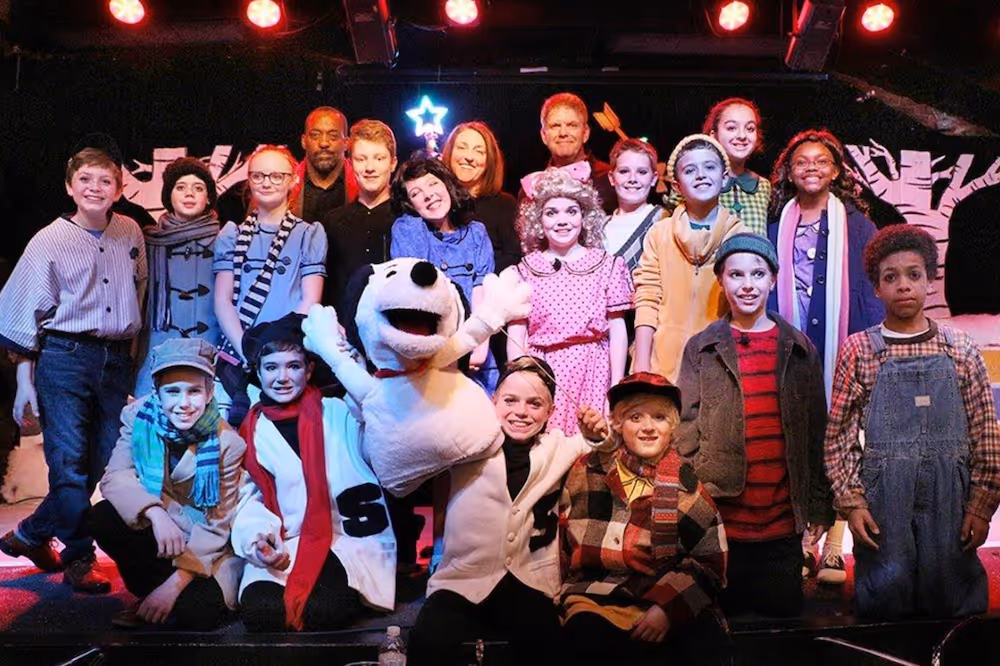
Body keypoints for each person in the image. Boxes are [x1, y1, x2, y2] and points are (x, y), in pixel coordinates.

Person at [825, 224, 1000, 619]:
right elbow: (839, 437)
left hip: (951, 497)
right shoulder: (859, 350)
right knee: (887, 590)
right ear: (876, 288)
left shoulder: (959, 348)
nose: (903, 285)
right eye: (891, 277)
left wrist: (981, 505)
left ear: (930, 280)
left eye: (913, 275)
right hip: (885, 496)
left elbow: (986, 432)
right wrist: (852, 503)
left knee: (951, 588)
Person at [0, 143, 146, 592]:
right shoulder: (48, 240)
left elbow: (138, 293)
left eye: (105, 180)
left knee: (104, 464)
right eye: (85, 180)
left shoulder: (130, 233)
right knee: (67, 465)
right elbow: (20, 310)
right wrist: (25, 382)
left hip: (115, 360)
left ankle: (28, 534)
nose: (95, 188)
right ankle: (79, 555)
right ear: (69, 186)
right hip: (64, 358)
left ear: (120, 189)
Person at [408, 356, 614, 666]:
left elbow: (599, 447)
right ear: (493, 401)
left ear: (550, 412)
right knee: (428, 640)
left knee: (549, 644)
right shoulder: (469, 442)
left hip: (528, 582)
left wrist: (599, 433)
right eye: (510, 400)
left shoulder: (557, 446)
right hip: (462, 579)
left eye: (534, 404)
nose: (521, 411)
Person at [676, 233, 833, 617]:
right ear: (721, 280)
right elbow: (685, 428)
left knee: (779, 631)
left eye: (758, 274)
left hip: (782, 526)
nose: (747, 284)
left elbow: (817, 432)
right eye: (736, 275)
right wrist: (692, 499)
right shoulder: (702, 348)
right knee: (721, 627)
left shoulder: (798, 347)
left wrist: (819, 506)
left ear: (773, 280)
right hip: (722, 523)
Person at [766, 128, 884, 585]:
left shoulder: (858, 226)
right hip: (793, 353)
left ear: (836, 171)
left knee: (841, 445)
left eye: (821, 161)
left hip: (845, 348)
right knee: (796, 444)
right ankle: (803, 541)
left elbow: (872, 296)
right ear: (788, 172)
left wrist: (870, 349)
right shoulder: (777, 228)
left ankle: (835, 544)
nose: (811, 167)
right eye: (801, 161)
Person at [232, 313, 395, 631]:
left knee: (324, 612)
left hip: (343, 539)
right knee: (260, 613)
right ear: (258, 373)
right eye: (271, 367)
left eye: (293, 366)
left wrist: (347, 360)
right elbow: (246, 499)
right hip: (283, 541)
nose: (282, 377)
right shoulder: (250, 432)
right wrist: (260, 541)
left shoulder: (339, 412)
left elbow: (377, 417)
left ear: (308, 370)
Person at [560, 373, 730, 666]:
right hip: (597, 598)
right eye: (635, 417)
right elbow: (563, 537)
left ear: (673, 428)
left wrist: (668, 607)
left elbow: (710, 563)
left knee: (702, 645)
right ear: (618, 424)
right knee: (586, 640)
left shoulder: (686, 487)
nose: (648, 428)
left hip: (660, 594)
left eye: (660, 417)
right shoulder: (586, 471)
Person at [90, 338, 245, 629]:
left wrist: (173, 586)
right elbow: (115, 476)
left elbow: (218, 525)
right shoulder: (139, 417)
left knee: (198, 616)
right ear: (157, 393)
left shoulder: (228, 444)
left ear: (210, 392)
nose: (183, 404)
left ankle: (163, 596)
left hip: (204, 548)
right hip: (163, 536)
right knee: (103, 516)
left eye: (194, 391)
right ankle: (149, 595)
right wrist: (155, 513)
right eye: (172, 391)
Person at [506, 167, 632, 436]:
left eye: (571, 211)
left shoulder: (606, 266)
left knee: (589, 443)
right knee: (545, 445)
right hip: (544, 370)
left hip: (593, 369)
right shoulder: (526, 269)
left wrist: (617, 383)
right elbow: (518, 331)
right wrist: (520, 382)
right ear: (538, 221)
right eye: (552, 213)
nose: (562, 221)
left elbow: (618, 329)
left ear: (584, 217)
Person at [213, 145, 327, 424]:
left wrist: (274, 353)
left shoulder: (308, 235)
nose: (267, 182)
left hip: (283, 360)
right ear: (249, 180)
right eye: (259, 175)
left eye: (277, 175)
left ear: (293, 180)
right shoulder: (232, 235)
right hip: (237, 356)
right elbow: (222, 301)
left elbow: (309, 301)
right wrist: (247, 351)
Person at [632, 134, 745, 382]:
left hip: (718, 366)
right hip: (663, 365)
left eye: (710, 167)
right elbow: (647, 296)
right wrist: (641, 363)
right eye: (690, 170)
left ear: (724, 177)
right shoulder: (660, 234)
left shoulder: (739, 237)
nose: (701, 175)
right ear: (676, 185)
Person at [390, 153, 497, 392]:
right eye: (415, 193)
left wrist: (479, 345)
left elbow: (482, 290)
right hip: (432, 357)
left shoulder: (476, 233)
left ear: (447, 185)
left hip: (476, 353)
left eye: (433, 183)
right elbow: (415, 293)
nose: (428, 195)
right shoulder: (409, 230)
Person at [134, 157, 222, 398]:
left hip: (209, 350)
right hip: (158, 349)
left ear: (209, 198)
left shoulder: (225, 240)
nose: (189, 194)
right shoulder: (148, 242)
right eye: (180, 187)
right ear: (168, 196)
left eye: (198, 188)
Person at [323, 119, 398, 312]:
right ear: (350, 163)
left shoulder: (409, 220)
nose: (370, 167)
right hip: (341, 332)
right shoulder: (333, 222)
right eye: (361, 158)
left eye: (379, 158)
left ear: (393, 163)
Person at [442, 121, 522, 274]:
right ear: (450, 153)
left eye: (478, 151)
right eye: (461, 147)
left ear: (489, 161)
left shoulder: (505, 204)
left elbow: (513, 256)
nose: (469, 157)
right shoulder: (437, 204)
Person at [518, 92, 617, 215]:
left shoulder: (611, 180)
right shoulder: (532, 187)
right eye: (555, 126)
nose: (563, 132)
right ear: (544, 135)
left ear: (585, 133)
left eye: (572, 125)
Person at [704, 97, 772, 237]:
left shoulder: (764, 187)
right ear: (713, 135)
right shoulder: (698, 183)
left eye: (750, 129)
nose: (742, 135)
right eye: (731, 128)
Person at [603, 138, 662, 273]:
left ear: (653, 178)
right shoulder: (599, 227)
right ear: (612, 178)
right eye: (624, 171)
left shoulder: (662, 221)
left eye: (642, 172)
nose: (632, 179)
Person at [292, 106, 358, 224]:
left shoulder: (363, 185)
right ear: (303, 141)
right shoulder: (283, 186)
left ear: (346, 143)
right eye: (315, 135)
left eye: (333, 136)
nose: (323, 143)